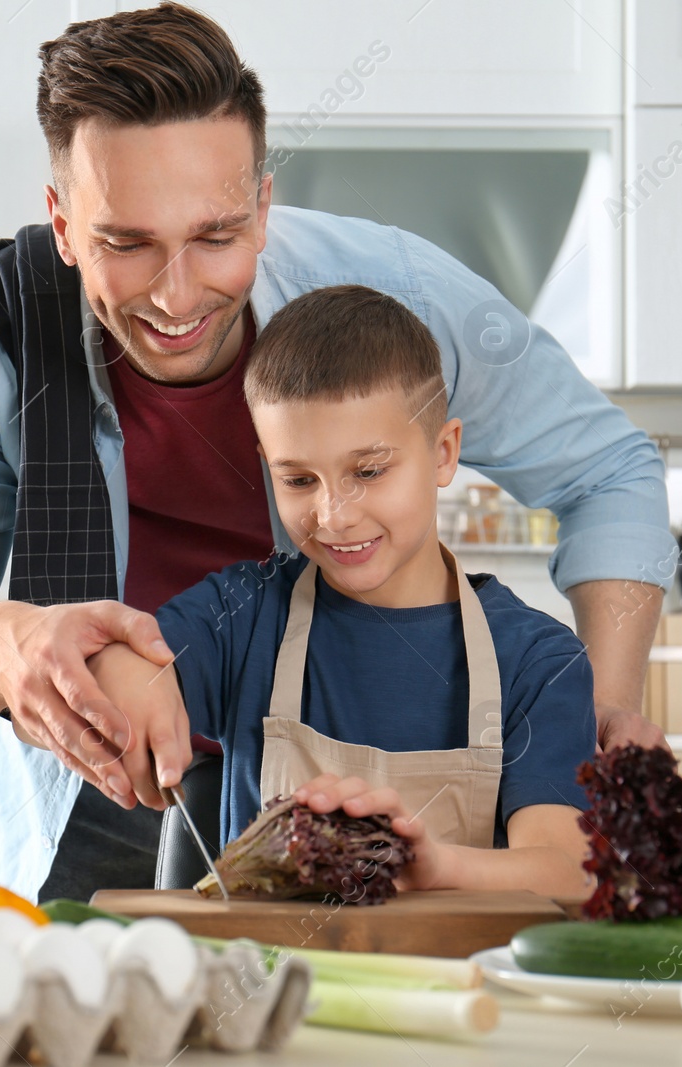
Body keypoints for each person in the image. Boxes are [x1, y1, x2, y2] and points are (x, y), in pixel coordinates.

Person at [0, 3, 673, 904]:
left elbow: (609, 472)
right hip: (78, 808)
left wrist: (608, 706)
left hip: (329, 816)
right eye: (126, 244)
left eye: (216, 236)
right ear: (63, 223)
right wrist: (5, 645)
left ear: (263, 204)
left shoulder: (391, 297)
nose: (177, 294)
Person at [82, 284, 596, 899]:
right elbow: (126, 661)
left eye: (369, 472)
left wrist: (436, 866)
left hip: (459, 990)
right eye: (298, 479)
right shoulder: (242, 618)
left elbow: (566, 872)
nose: (334, 516)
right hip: (262, 989)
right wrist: (122, 692)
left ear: (443, 453)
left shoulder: (538, 660)